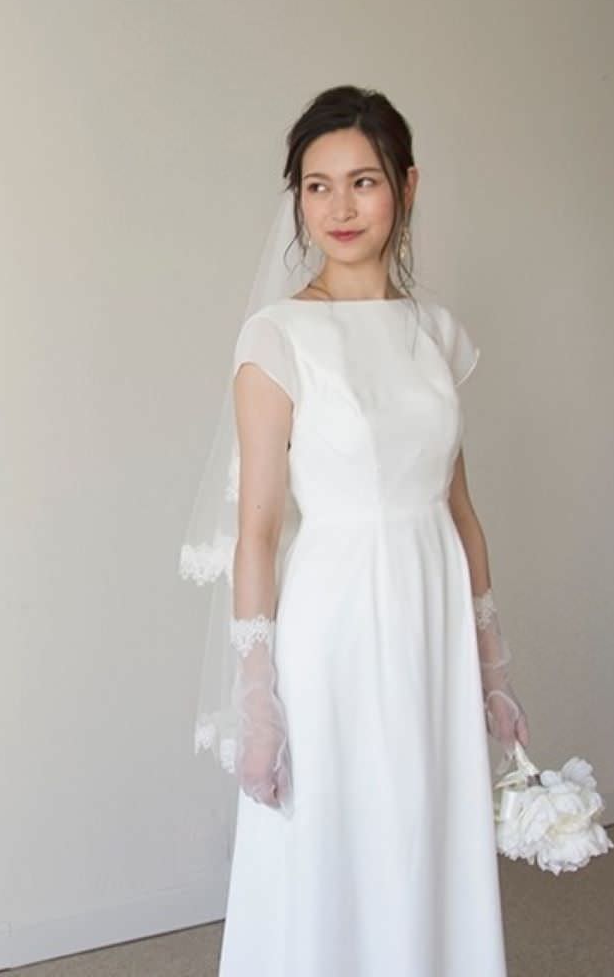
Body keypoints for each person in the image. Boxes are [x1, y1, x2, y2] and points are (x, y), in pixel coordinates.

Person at [180, 86, 530, 976]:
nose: (339, 207)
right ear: (296, 198)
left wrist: (493, 670)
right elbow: (258, 533)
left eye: (363, 182)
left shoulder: (436, 334)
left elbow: (461, 511)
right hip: (336, 622)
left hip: (431, 615)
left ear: (407, 187)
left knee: (422, 831)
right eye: (317, 186)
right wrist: (257, 699)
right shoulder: (278, 338)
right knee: (340, 837)